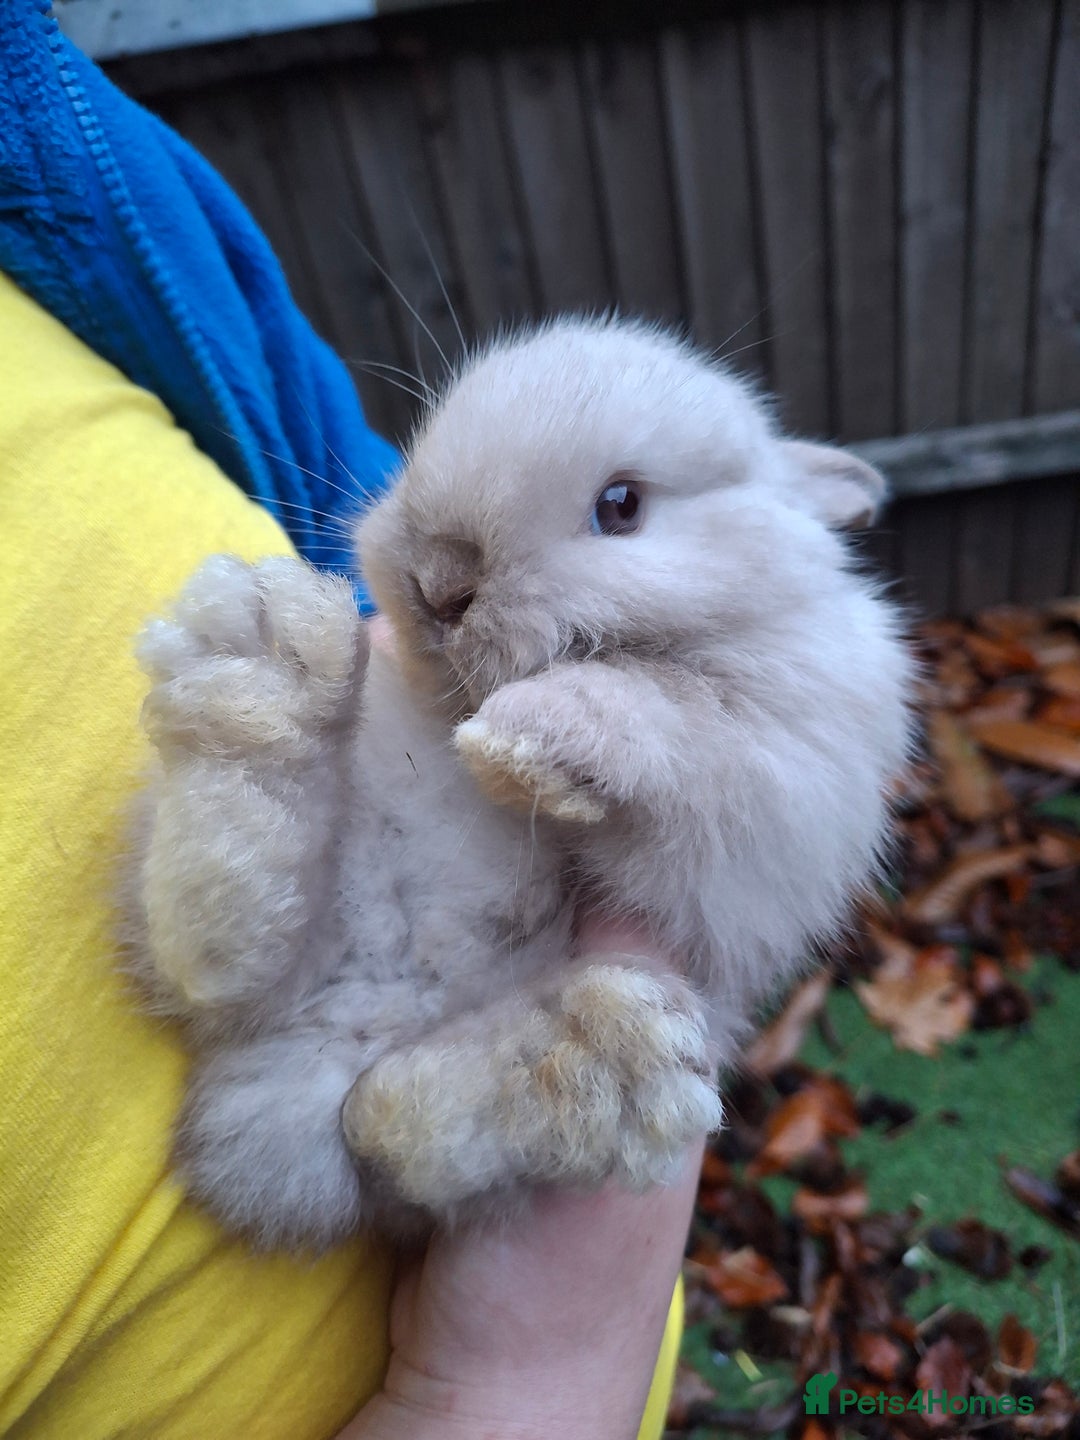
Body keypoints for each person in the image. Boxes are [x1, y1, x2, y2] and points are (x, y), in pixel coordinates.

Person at [0, 6, 702, 1436]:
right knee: (280, 1045)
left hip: (511, 1254)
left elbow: (330, 447)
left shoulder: (62, 137)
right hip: (473, 1335)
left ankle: (291, 861)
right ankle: (259, 814)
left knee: (318, 1060)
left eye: (621, 509)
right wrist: (531, 1385)